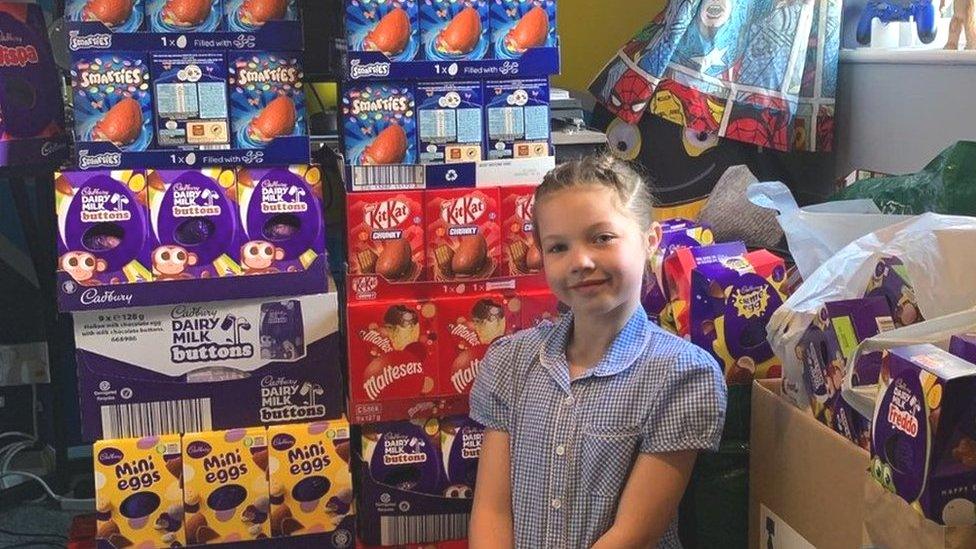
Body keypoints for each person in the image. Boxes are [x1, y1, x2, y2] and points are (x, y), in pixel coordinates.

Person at [468, 154, 728, 548]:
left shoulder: (682, 375)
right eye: (558, 247)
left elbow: (634, 534)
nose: (581, 261)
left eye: (602, 238)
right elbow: (492, 510)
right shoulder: (509, 362)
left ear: (649, 240)